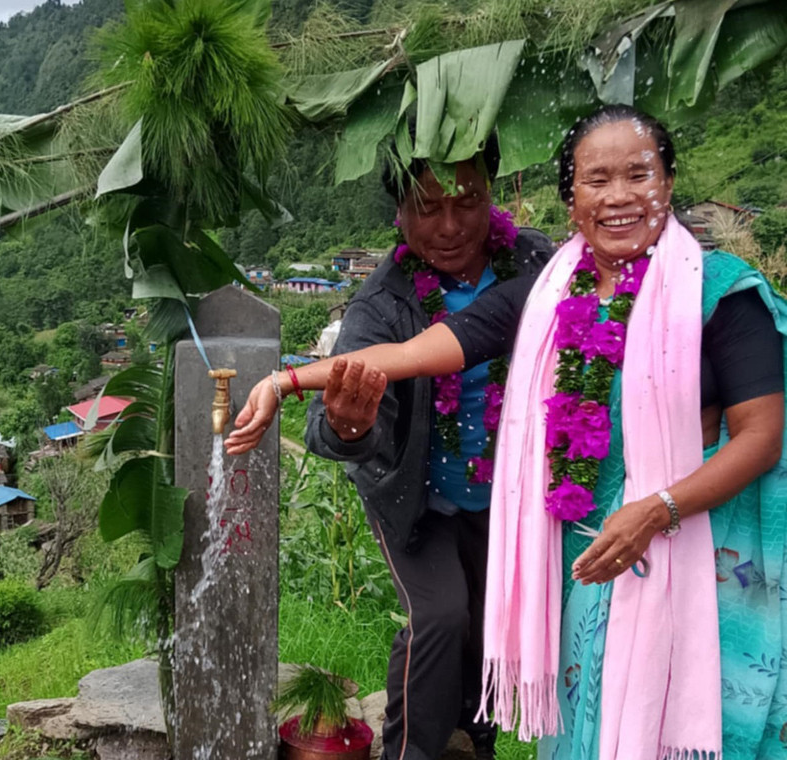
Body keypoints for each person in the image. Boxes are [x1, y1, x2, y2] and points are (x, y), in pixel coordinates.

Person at [227, 105, 787, 760]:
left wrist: (658, 502)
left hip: (635, 528)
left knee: (575, 656)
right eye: (597, 180)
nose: (619, 197)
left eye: (638, 175)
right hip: (456, 507)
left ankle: (475, 742)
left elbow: (758, 431)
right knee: (462, 630)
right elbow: (417, 357)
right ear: (572, 199)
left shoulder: (686, 289)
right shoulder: (517, 291)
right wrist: (300, 389)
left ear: (667, 181)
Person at [301, 141, 552, 760]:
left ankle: (475, 744)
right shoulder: (384, 301)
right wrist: (351, 427)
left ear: (494, 195)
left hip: (509, 498)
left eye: (467, 202)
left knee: (486, 626)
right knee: (440, 616)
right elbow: (326, 424)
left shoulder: (534, 262)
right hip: (417, 500)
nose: (448, 226)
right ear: (399, 213)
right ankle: (409, 752)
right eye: (427, 207)